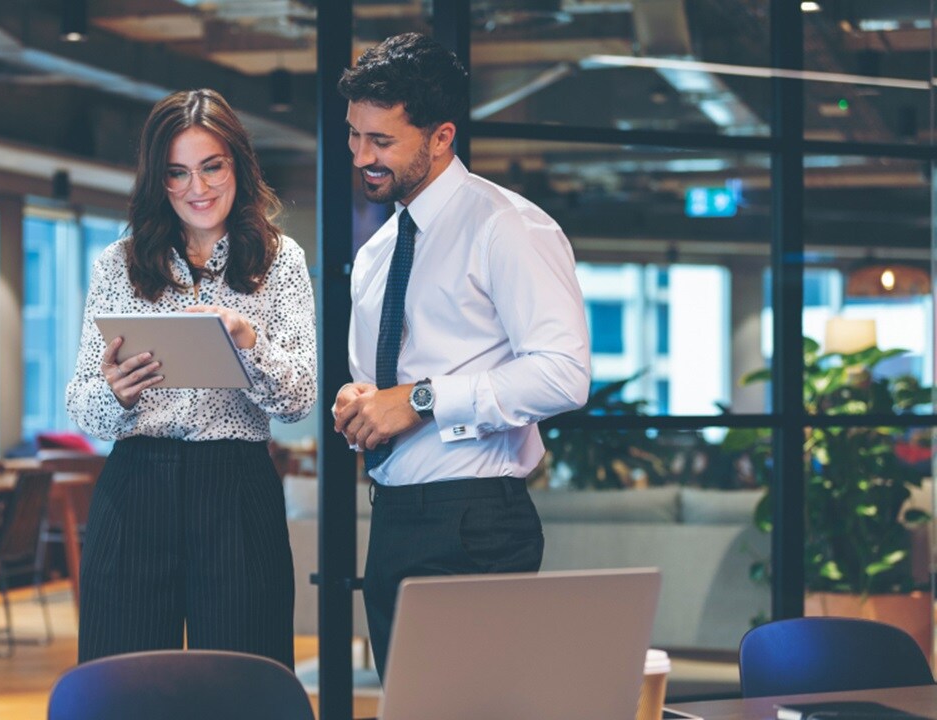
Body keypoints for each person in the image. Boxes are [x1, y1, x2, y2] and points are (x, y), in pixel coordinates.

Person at [331, 33, 592, 678]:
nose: (362, 156)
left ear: (441, 136)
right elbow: (382, 387)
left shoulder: (508, 227)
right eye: (354, 135)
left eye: (382, 141)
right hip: (392, 518)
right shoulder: (377, 252)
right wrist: (360, 401)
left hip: (476, 522)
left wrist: (420, 400)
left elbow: (564, 374)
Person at [66, 88, 316, 668]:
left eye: (212, 167)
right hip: (135, 486)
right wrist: (115, 392)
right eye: (177, 173)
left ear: (238, 167)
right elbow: (82, 405)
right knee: (121, 688)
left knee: (242, 686)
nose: (197, 189)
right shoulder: (118, 263)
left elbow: (299, 398)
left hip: (235, 485)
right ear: (158, 179)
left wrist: (248, 343)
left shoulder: (280, 261)